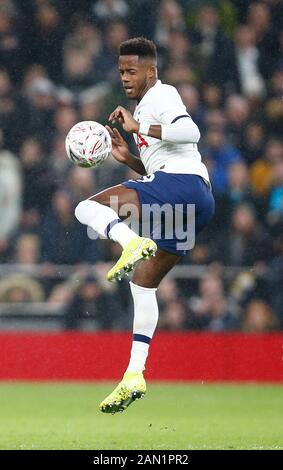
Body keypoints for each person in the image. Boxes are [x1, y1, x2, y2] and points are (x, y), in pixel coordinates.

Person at [75, 37, 215, 414]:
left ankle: (129, 242)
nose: (125, 78)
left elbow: (191, 133)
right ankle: (134, 373)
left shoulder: (162, 95)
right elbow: (160, 166)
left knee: (85, 209)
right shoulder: (147, 106)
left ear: (151, 71)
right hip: (194, 198)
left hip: (181, 185)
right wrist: (130, 159)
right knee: (143, 283)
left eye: (131, 70)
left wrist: (142, 125)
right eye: (121, 71)